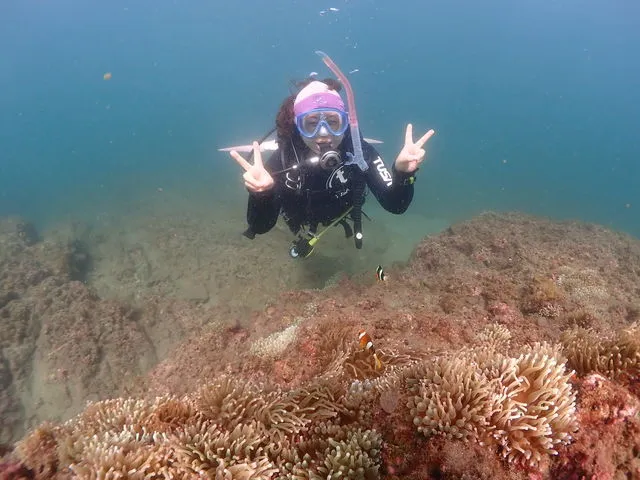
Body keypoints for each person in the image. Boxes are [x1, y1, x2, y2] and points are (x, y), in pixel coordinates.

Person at [229, 76, 435, 258]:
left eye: (332, 121)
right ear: (297, 127)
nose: (323, 133)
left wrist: (403, 174)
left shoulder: (359, 152)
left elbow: (396, 205)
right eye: (311, 123)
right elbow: (259, 227)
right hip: (300, 218)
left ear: (345, 122)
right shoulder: (283, 159)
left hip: (340, 214)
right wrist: (260, 195)